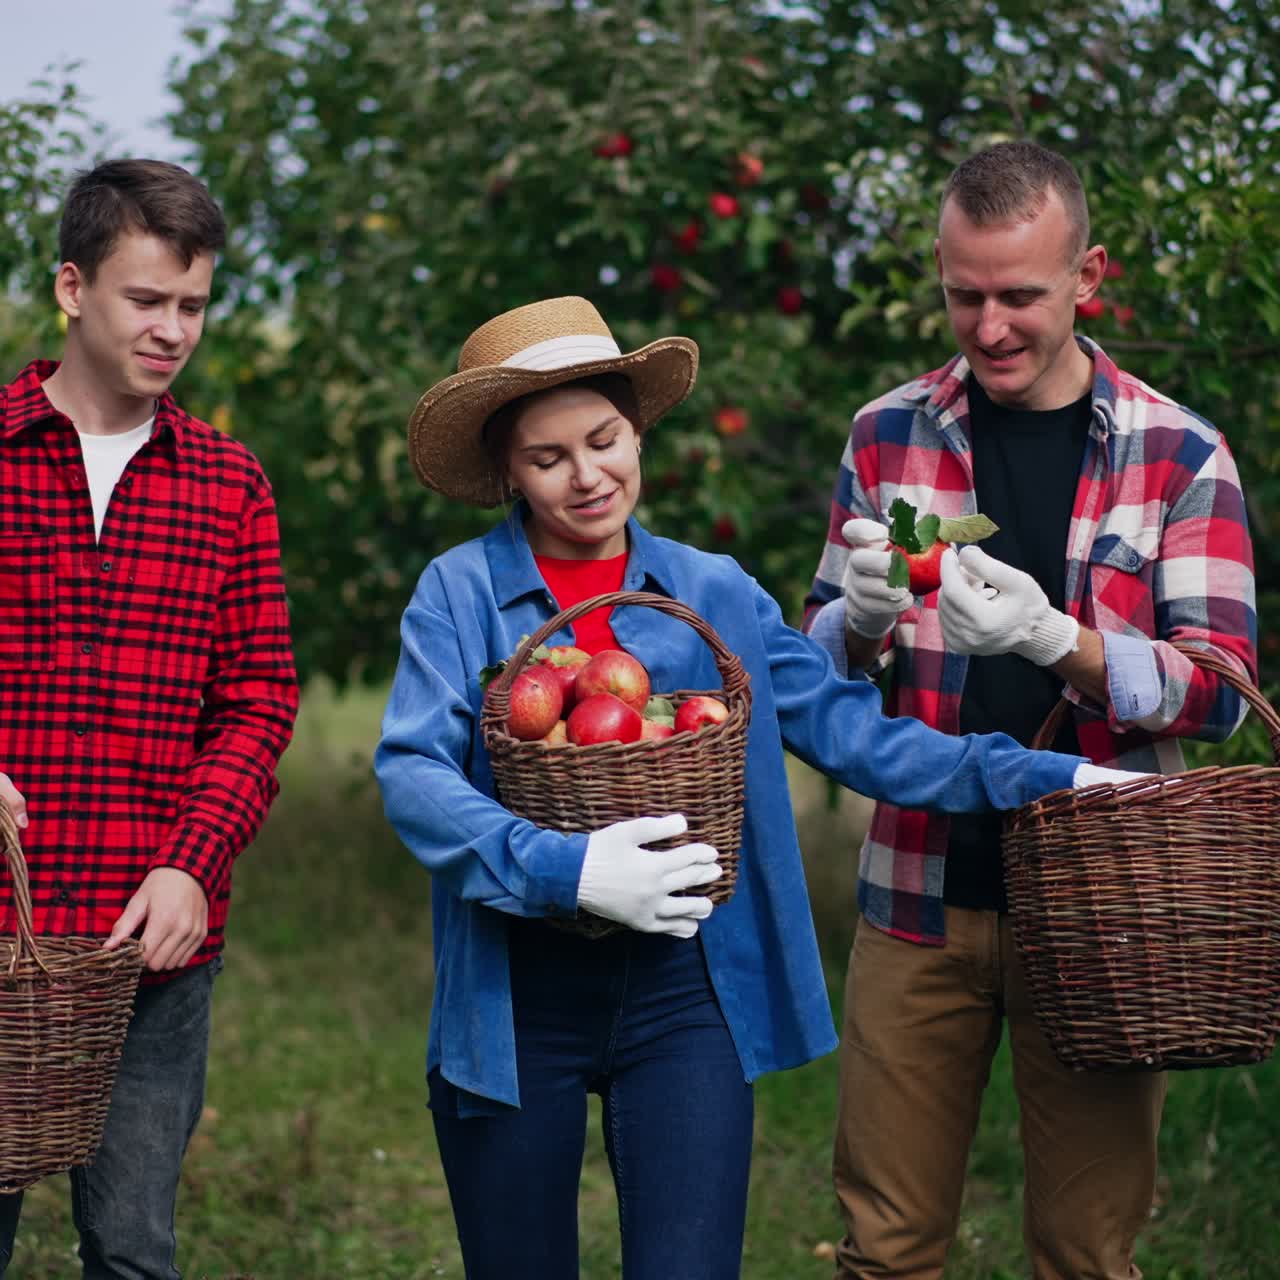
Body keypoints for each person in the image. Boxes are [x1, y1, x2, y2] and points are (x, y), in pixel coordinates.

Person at [374, 295, 1139, 1280]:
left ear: (635, 429)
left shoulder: (713, 593)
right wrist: (562, 868)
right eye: (546, 456)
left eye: (602, 439)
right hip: (516, 991)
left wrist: (1051, 774)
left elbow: (857, 732)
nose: (586, 475)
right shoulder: (460, 593)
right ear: (506, 470)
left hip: (681, 991)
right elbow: (412, 772)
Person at [803, 141, 1257, 1280]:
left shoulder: (1178, 454)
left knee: (1082, 1253)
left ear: (1085, 276)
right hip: (917, 891)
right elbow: (815, 679)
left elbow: (1219, 695)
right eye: (964, 296)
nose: (989, 326)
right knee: (885, 1248)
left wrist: (1060, 641)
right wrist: (852, 619)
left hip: (1106, 913)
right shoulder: (884, 435)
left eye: (1018, 296)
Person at [0, 159, 298, 1278]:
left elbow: (259, 699)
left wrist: (191, 862)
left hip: (148, 946)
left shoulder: (228, 483)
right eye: (146, 299)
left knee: (131, 1246)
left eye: (194, 305)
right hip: (0, 923)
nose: (173, 329)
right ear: (73, 287)